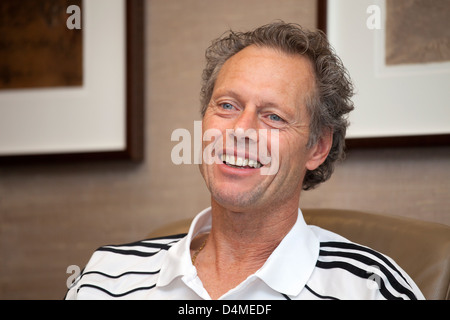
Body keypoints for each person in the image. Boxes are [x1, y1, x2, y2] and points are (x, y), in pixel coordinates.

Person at [65, 22, 424, 300]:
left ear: (317, 148)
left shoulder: (371, 288)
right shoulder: (103, 277)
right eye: (227, 106)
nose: (241, 129)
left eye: (273, 116)